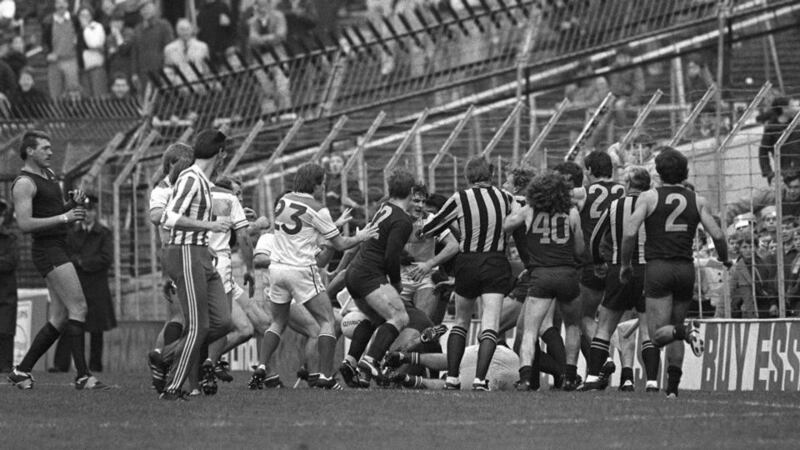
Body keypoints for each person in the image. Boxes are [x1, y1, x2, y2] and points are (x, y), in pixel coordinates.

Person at [620, 147, 731, 398]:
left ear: (658, 173)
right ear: (685, 172)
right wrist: (724, 258)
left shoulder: (648, 198)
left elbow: (629, 233)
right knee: (674, 327)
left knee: (658, 336)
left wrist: (626, 264)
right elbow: (718, 235)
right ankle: (672, 390)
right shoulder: (698, 200)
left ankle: (687, 331)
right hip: (685, 268)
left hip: (659, 267)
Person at [258, 163, 378, 390]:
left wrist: (334, 224)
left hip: (277, 270)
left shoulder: (284, 202)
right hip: (300, 270)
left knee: (277, 322)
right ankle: (324, 375)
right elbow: (340, 243)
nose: (324, 187)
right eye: (322, 182)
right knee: (327, 321)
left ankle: (262, 367)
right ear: (314, 183)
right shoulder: (318, 208)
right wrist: (361, 236)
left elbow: (304, 231)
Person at [7, 130, 108, 390]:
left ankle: (22, 370)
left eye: (51, 147)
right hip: (48, 250)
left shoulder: (49, 175)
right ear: (29, 151)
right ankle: (83, 376)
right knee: (79, 308)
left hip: (58, 246)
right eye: (45, 148)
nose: (51, 152)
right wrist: (65, 217)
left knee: (60, 316)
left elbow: (51, 212)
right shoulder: (24, 183)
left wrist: (69, 205)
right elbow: (25, 223)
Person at [421, 157, 515, 391]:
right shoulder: (506, 197)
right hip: (495, 261)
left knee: (461, 321)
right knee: (490, 322)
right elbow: (519, 221)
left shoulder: (460, 197)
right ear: (490, 174)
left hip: (468, 262)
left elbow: (431, 227)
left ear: (467, 176)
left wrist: (455, 230)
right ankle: (480, 380)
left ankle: (452, 378)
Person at [155, 129, 233, 400]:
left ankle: (163, 355)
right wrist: (210, 224)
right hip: (186, 252)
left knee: (221, 321)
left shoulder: (201, 179)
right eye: (225, 152)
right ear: (220, 153)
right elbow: (169, 217)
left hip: (199, 252)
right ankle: (173, 388)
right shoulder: (191, 177)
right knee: (198, 326)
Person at [503, 171, 585, 391]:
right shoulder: (572, 212)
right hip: (567, 274)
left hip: (541, 276)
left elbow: (506, 225)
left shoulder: (528, 211)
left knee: (531, 330)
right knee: (573, 326)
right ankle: (569, 376)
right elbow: (580, 250)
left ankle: (527, 377)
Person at [580, 166, 659, 392]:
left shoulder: (615, 206)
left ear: (627, 185)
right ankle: (652, 381)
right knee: (647, 328)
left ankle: (593, 376)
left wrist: (597, 261)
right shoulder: (653, 205)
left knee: (604, 326)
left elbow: (596, 238)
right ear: (648, 185)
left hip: (618, 270)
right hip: (647, 270)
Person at [196, 175, 255, 394]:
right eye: (237, 192)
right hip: (219, 264)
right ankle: (206, 364)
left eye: (240, 193)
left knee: (200, 322)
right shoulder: (227, 199)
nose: (239, 197)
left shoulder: (193, 193)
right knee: (222, 321)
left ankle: (203, 365)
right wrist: (250, 269)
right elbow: (243, 238)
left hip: (193, 258)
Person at [146, 143, 193, 394]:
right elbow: (155, 217)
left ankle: (159, 360)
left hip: (183, 253)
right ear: (172, 164)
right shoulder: (164, 188)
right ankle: (166, 365)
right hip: (176, 253)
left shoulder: (183, 186)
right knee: (184, 318)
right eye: (186, 162)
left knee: (183, 318)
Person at [52, 195, 116, 373]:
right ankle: (61, 364)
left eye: (91, 211)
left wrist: (83, 263)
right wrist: (78, 262)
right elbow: (66, 255)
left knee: (97, 329)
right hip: (76, 283)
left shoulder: (104, 233)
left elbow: (106, 258)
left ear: (96, 212)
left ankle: (95, 365)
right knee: (70, 323)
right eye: (85, 211)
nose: (88, 214)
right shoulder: (72, 233)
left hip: (96, 286)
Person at [577, 151, 624, 377]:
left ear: (588, 170)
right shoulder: (624, 190)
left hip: (593, 263)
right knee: (619, 318)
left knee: (585, 316)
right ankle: (627, 375)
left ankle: (603, 357)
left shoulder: (582, 193)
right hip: (621, 262)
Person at [247, 0, 291, 111]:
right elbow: (252, 39)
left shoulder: (278, 16)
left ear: (269, 4)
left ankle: (285, 112)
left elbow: (280, 35)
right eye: (259, 5)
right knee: (266, 90)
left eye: (264, 5)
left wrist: (262, 39)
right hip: (261, 58)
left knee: (282, 88)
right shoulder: (253, 21)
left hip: (278, 55)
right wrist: (270, 38)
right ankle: (270, 116)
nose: (261, 8)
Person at [41, 0, 81, 100]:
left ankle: (74, 115)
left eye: (63, 3)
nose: (61, 5)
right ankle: (56, 115)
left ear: (68, 5)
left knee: (73, 93)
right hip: (54, 62)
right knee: (55, 94)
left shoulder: (74, 19)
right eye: (58, 3)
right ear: (55, 5)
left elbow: (80, 37)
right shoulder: (48, 21)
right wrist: (47, 54)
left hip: (71, 60)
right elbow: (44, 41)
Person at [130, 0, 173, 93]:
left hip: (160, 70)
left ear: (154, 8)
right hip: (143, 72)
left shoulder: (164, 25)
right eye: (142, 9)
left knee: (162, 99)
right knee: (146, 100)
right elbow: (134, 52)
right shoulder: (137, 29)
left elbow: (170, 50)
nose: (145, 11)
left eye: (147, 8)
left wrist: (167, 69)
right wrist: (134, 73)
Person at [759, 97, 800, 184]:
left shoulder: (797, 125)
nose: (797, 108)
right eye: (793, 106)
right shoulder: (771, 129)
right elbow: (763, 152)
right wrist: (769, 173)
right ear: (784, 109)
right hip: (784, 175)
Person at [0, 198, 18, 374]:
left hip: (6, 294)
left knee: (5, 331)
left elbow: (11, 262)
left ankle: (6, 367)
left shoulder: (10, 239)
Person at [164, 18, 210, 83]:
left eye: (187, 29)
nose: (185, 32)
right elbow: (168, 70)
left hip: (198, 84)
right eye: (182, 29)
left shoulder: (202, 47)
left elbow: (206, 69)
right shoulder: (169, 49)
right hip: (179, 86)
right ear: (177, 31)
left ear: (191, 30)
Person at [77, 6, 108, 97]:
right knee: (87, 98)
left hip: (96, 68)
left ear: (91, 16)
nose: (84, 18)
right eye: (82, 15)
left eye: (87, 15)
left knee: (99, 97)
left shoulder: (96, 27)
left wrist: (86, 28)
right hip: (83, 70)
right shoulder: (78, 31)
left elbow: (93, 44)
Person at [196, 0, 236, 66]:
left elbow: (232, 28)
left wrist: (231, 44)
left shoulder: (222, 6)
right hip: (209, 51)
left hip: (224, 49)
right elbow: (200, 31)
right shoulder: (201, 9)